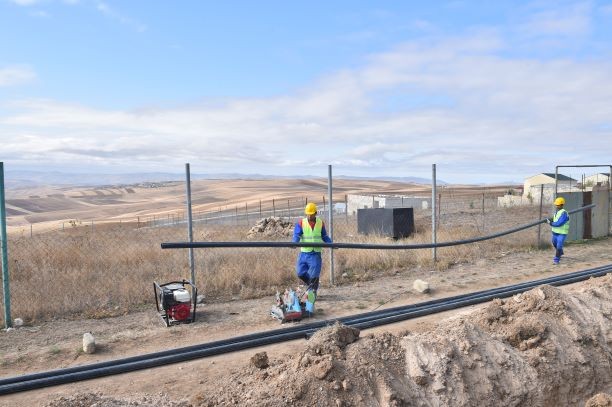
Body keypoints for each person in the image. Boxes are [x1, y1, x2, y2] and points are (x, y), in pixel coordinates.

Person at [292, 202, 332, 296]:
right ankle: (312, 286)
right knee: (300, 273)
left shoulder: (320, 223)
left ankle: (312, 294)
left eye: (311, 214)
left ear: (315, 213)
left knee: (314, 276)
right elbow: (296, 235)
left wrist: (331, 244)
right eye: (308, 214)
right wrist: (294, 243)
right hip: (304, 253)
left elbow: (325, 236)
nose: (309, 216)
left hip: (315, 253)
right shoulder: (301, 223)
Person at [545, 197, 570, 265]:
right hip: (555, 233)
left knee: (559, 245)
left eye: (558, 205)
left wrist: (550, 223)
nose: (557, 206)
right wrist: (550, 220)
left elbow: (559, 223)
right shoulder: (557, 212)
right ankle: (560, 252)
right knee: (554, 243)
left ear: (562, 205)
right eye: (556, 205)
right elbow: (555, 219)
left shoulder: (564, 213)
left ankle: (556, 260)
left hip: (561, 233)